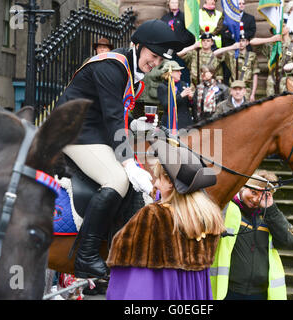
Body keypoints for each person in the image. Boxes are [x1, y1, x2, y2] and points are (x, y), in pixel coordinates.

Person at [56, 19, 184, 279]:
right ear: (137, 46)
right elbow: (113, 120)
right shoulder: (112, 66)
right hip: (73, 132)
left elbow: (116, 118)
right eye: (153, 55)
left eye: (160, 59)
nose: (155, 63)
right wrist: (128, 166)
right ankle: (86, 256)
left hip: (95, 133)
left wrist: (135, 125)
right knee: (117, 179)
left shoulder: (133, 77)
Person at [105, 139, 225, 300]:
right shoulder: (209, 217)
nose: (155, 183)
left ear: (169, 182)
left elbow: (136, 285)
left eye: (158, 178)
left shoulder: (154, 216)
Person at [211, 169, 293, 300]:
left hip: (259, 293)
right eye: (253, 192)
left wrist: (271, 209)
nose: (256, 199)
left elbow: (288, 240)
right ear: (242, 187)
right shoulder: (227, 209)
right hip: (229, 291)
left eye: (262, 195)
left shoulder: (269, 216)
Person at [250, 18, 293, 96]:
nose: (280, 29)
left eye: (283, 26)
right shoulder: (272, 45)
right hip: (272, 81)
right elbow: (252, 42)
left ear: (288, 28)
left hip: (287, 80)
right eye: (278, 28)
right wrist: (271, 39)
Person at [214, 35, 260, 102]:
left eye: (243, 40)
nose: (240, 43)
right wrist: (232, 47)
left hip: (246, 90)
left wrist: (253, 94)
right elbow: (214, 54)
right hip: (233, 89)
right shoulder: (231, 54)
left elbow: (255, 75)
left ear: (247, 42)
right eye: (239, 41)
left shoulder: (252, 56)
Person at [161, 0, 195, 84]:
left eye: (175, 2)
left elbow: (190, 33)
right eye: (172, 2)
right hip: (169, 50)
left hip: (182, 50)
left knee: (182, 70)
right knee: (170, 68)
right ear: (169, 4)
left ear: (178, 4)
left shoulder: (185, 17)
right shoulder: (165, 18)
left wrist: (181, 43)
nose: (174, 4)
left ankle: (184, 87)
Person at [157, 60, 194, 129]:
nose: (180, 73)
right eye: (177, 71)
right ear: (170, 73)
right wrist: (181, 96)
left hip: (186, 123)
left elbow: (190, 105)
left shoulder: (183, 84)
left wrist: (191, 99)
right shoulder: (163, 86)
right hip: (171, 124)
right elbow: (167, 105)